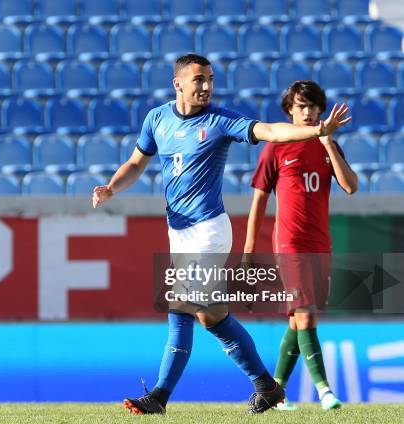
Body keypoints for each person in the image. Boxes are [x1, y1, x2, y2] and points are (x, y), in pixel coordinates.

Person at [92, 54, 352, 415]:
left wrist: (316, 131)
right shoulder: (157, 119)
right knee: (208, 314)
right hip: (179, 231)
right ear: (178, 83)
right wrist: (111, 188)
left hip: (209, 229)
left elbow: (270, 131)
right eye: (199, 79)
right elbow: (137, 162)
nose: (206, 86)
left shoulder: (219, 120)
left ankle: (160, 397)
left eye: (210, 79)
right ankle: (266, 386)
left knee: (181, 307)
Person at [244, 80, 358, 411]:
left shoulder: (328, 145)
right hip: (289, 244)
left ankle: (274, 391)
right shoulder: (275, 148)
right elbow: (258, 202)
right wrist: (249, 250)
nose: (307, 112)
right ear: (289, 111)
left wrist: (328, 144)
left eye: (312, 106)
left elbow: (350, 187)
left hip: (320, 243)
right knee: (306, 316)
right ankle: (325, 391)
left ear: (321, 110)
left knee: (297, 321)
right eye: (300, 106)